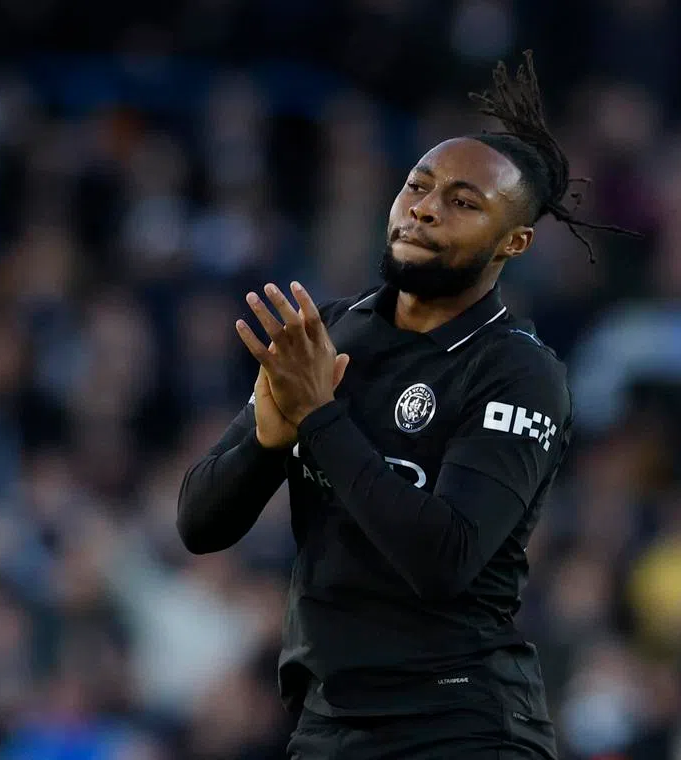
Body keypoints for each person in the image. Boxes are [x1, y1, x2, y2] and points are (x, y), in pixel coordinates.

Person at [176, 51, 636, 759]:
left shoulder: (517, 372)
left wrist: (321, 420)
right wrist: (265, 441)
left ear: (514, 242)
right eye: (417, 186)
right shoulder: (330, 335)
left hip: (458, 725)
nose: (425, 208)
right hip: (328, 726)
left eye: (464, 202)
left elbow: (443, 556)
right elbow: (200, 525)